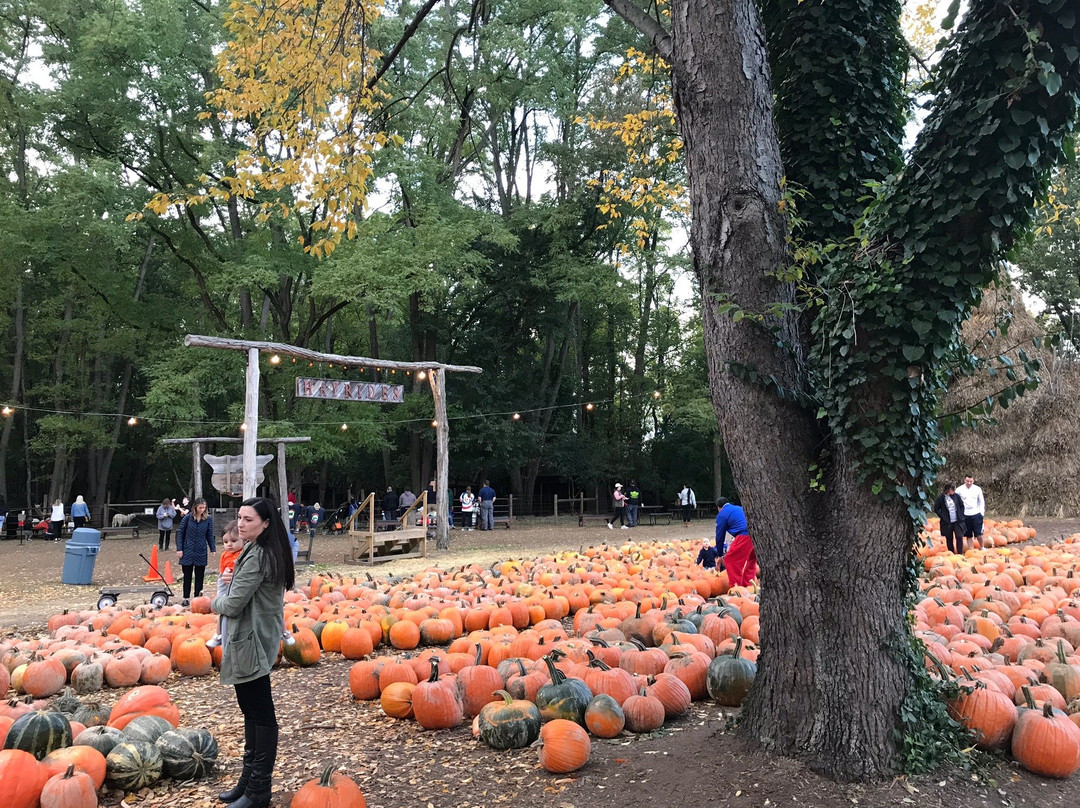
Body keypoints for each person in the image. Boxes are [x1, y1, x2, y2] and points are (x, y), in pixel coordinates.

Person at [211, 497, 295, 808]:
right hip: (252, 638)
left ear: (266, 523)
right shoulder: (255, 550)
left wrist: (214, 601)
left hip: (253, 641)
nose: (241, 524)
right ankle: (248, 781)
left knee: (260, 713)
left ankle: (259, 790)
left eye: (248, 519)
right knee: (250, 709)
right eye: (240, 518)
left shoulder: (259, 555)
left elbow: (232, 604)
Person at [206, 521, 244, 650]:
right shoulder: (224, 555)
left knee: (230, 611)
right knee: (223, 610)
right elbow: (222, 573)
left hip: (238, 585)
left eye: (233, 540)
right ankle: (218, 634)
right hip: (224, 582)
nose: (229, 544)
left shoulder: (244, 554)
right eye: (225, 542)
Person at [176, 497, 216, 605]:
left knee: (200, 575)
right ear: (195, 507)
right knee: (187, 575)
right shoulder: (187, 518)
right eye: (200, 507)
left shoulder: (208, 519)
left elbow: (210, 534)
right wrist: (179, 548)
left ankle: (198, 598)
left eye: (204, 508)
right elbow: (180, 533)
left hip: (200, 549)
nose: (202, 509)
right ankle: (186, 597)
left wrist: (213, 548)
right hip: (187, 549)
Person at [715, 497, 758, 587]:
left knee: (731, 559)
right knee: (751, 559)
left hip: (744, 535)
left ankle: (736, 587)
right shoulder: (739, 508)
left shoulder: (722, 514)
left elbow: (720, 536)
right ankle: (748, 585)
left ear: (719, 508)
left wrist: (720, 555)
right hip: (757, 533)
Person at [933, 483, 966, 554]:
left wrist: (961, 514)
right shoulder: (941, 498)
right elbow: (936, 508)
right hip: (947, 522)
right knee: (949, 538)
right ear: (948, 490)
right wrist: (942, 516)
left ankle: (960, 553)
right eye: (952, 489)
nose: (953, 491)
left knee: (959, 537)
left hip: (957, 520)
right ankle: (951, 553)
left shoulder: (956, 496)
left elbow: (961, 505)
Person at [957, 475, 986, 551]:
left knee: (979, 533)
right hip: (965, 514)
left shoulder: (977, 489)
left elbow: (981, 502)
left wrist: (981, 513)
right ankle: (971, 550)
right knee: (968, 534)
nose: (969, 483)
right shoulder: (959, 490)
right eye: (967, 481)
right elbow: (957, 502)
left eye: (971, 481)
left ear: (973, 481)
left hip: (976, 513)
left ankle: (982, 547)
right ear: (964, 480)